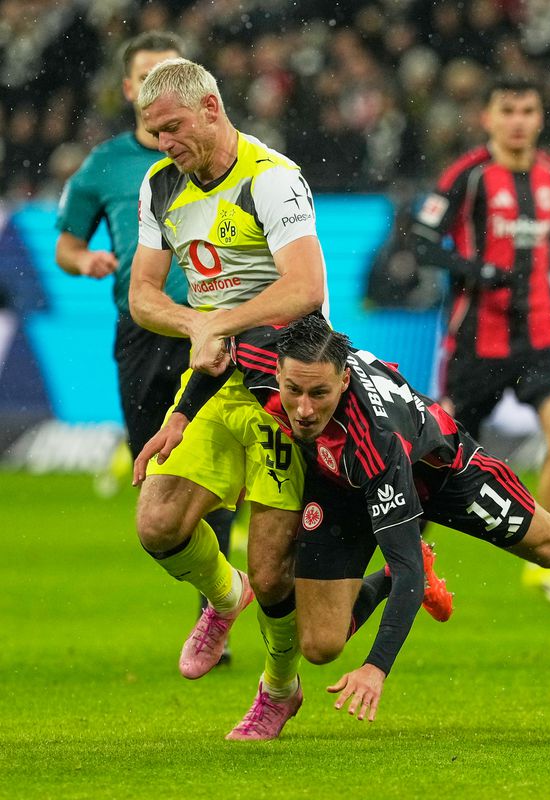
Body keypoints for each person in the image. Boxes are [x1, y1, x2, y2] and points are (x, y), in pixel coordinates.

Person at [135, 314, 550, 725]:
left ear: (344, 380)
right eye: (293, 391)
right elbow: (217, 361)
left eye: (319, 395)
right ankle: (389, 584)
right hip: (340, 487)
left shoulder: (375, 440)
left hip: (441, 472)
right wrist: (180, 417)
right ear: (279, 370)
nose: (303, 409)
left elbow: (401, 550)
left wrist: (376, 668)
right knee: (319, 646)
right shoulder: (264, 351)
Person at [127, 57, 325, 740]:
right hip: (213, 376)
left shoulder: (271, 179)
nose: (164, 143)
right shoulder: (160, 185)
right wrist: (196, 325)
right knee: (157, 523)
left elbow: (305, 288)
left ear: (211, 107)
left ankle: (280, 689)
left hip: (282, 385)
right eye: (154, 133)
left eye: (173, 128)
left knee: (274, 573)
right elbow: (143, 295)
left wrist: (222, 325)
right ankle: (222, 594)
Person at [52, 32, 236, 659]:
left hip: (214, 324)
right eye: (146, 74)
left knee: (216, 457)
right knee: (159, 471)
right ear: (130, 88)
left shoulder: (225, 156)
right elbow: (67, 243)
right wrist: (85, 261)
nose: (157, 82)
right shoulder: (106, 165)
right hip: (144, 331)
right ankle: (219, 589)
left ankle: (217, 607)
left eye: (169, 71)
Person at [411, 75, 550, 605]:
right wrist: (476, 270)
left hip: (541, 333)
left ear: (540, 119)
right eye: (507, 111)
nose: (517, 121)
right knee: (439, 456)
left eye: (527, 111)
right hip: (477, 341)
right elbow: (421, 240)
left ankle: (545, 561)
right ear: (487, 118)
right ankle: (410, 559)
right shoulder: (467, 176)